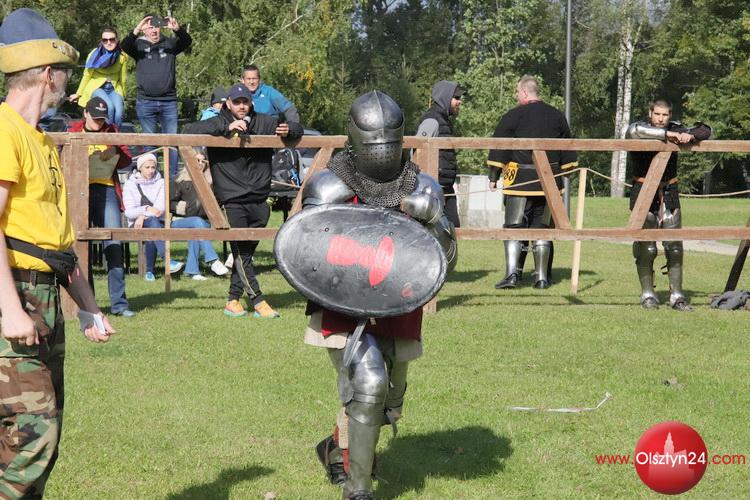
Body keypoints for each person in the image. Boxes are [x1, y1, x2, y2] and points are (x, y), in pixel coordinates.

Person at [302, 91, 457, 499]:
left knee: (389, 400)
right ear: (354, 138)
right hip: (343, 304)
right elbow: (305, 252)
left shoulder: (421, 186)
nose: (382, 151)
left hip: (399, 304)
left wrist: (435, 221)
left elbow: (445, 263)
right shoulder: (329, 185)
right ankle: (358, 489)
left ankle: (337, 449)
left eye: (389, 142)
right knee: (368, 382)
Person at [0, 8, 115, 497]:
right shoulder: (4, 130)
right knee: (32, 439)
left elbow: (57, 243)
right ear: (49, 74)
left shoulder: (43, 142)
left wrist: (88, 306)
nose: (69, 85)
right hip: (14, 294)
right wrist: (10, 310)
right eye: (67, 74)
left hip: (46, 297)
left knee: (37, 436)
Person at [183, 84, 302, 317]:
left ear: (251, 103)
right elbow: (189, 129)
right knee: (241, 252)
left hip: (260, 198)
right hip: (232, 199)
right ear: (228, 103)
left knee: (244, 254)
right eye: (236, 102)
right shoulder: (218, 121)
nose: (241, 106)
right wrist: (225, 128)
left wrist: (289, 130)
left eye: (245, 101)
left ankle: (232, 300)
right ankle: (258, 300)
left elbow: (297, 129)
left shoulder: (263, 122)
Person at [487, 75, 577, 290]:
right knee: (542, 228)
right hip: (549, 184)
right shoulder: (557, 116)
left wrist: (493, 176)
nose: (516, 95)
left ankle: (512, 275)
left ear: (525, 92)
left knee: (514, 228)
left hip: (519, 182)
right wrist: (566, 173)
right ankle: (542, 277)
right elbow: (568, 148)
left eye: (518, 92)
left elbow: (500, 146)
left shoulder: (513, 116)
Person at [625, 99, 711, 311]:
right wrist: (667, 135)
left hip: (670, 192)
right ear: (650, 113)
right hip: (643, 191)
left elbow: (706, 129)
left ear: (669, 115)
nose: (660, 118)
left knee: (674, 247)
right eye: (657, 114)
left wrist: (690, 136)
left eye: (664, 115)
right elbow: (632, 131)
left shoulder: (676, 128)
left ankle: (677, 296)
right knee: (646, 247)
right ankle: (647, 295)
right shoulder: (640, 128)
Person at [68, 96, 136, 316]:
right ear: (85, 113)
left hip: (106, 190)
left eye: (102, 119)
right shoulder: (73, 131)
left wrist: (115, 152)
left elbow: (127, 159)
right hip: (80, 192)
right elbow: (62, 158)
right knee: (81, 247)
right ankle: (87, 304)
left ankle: (119, 304)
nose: (99, 122)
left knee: (113, 244)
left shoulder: (111, 131)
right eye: (96, 118)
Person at [121, 14, 192, 178]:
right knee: (149, 144)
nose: (154, 30)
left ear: (161, 27)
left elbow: (187, 41)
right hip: (146, 102)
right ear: (144, 29)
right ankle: (151, 179)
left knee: (172, 143)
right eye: (150, 27)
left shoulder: (170, 44)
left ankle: (171, 179)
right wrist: (137, 29)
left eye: (156, 26)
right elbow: (124, 45)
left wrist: (177, 29)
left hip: (169, 102)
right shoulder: (138, 46)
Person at [122, 153, 183, 281]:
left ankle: (149, 272)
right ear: (140, 168)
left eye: (153, 167)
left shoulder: (161, 182)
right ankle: (167, 260)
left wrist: (142, 215)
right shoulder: (130, 184)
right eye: (147, 167)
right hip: (136, 224)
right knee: (153, 224)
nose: (151, 170)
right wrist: (146, 209)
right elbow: (129, 212)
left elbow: (159, 209)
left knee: (153, 227)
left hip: (157, 220)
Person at [414, 80, 464, 227]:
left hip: (445, 186)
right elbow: (416, 150)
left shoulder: (444, 121)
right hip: (433, 188)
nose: (459, 102)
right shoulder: (432, 121)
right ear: (445, 98)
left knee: (453, 228)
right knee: (434, 229)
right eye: (456, 98)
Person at [169, 163, 230, 280]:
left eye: (203, 161)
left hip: (202, 222)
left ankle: (192, 271)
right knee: (197, 223)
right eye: (197, 160)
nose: (200, 164)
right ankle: (213, 260)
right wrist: (183, 206)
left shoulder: (211, 182)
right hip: (179, 221)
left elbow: (219, 201)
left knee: (197, 228)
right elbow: (169, 203)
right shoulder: (179, 181)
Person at [68, 27, 129, 127]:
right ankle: (106, 134)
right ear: (102, 41)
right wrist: (78, 94)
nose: (108, 43)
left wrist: (124, 95)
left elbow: (123, 78)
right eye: (105, 40)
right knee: (109, 107)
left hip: (114, 88)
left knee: (119, 112)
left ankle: (116, 134)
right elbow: (87, 75)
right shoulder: (94, 54)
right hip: (97, 88)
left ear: (117, 40)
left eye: (112, 39)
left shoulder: (122, 56)